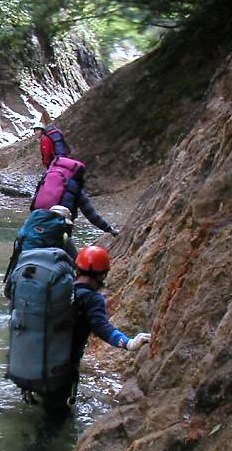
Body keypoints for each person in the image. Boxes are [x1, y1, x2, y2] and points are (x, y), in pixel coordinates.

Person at [42, 245, 150, 416]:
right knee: (55, 422)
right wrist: (128, 343)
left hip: (34, 360)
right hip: (60, 370)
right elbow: (102, 328)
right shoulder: (92, 299)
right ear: (102, 275)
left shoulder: (59, 287)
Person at [32, 160, 120, 237]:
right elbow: (91, 215)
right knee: (69, 254)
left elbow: (34, 203)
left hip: (37, 223)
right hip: (60, 228)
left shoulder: (46, 181)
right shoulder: (75, 189)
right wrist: (109, 229)